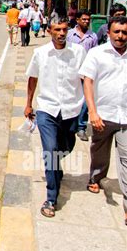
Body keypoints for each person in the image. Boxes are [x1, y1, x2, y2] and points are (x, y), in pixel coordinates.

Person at [25, 17, 86, 218]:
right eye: (57, 30)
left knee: (67, 146)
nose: (61, 33)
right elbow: (32, 78)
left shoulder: (78, 53)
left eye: (64, 30)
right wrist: (28, 104)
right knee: (50, 151)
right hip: (47, 110)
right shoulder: (40, 53)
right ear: (49, 31)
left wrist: (91, 107)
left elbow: (87, 79)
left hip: (71, 110)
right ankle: (51, 197)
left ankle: (55, 168)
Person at [80, 16, 127, 225]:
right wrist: (92, 111)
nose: (120, 36)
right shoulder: (97, 53)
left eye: (125, 32)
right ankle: (96, 177)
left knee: (126, 160)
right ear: (108, 33)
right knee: (99, 151)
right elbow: (88, 81)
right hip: (103, 115)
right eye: (117, 32)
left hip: (125, 116)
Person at [67, 9, 98, 141]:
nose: (86, 21)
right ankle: (69, 124)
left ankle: (81, 128)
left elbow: (94, 55)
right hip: (70, 72)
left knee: (85, 102)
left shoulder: (93, 36)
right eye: (84, 19)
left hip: (86, 74)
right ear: (77, 20)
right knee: (71, 99)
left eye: (88, 19)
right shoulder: (69, 34)